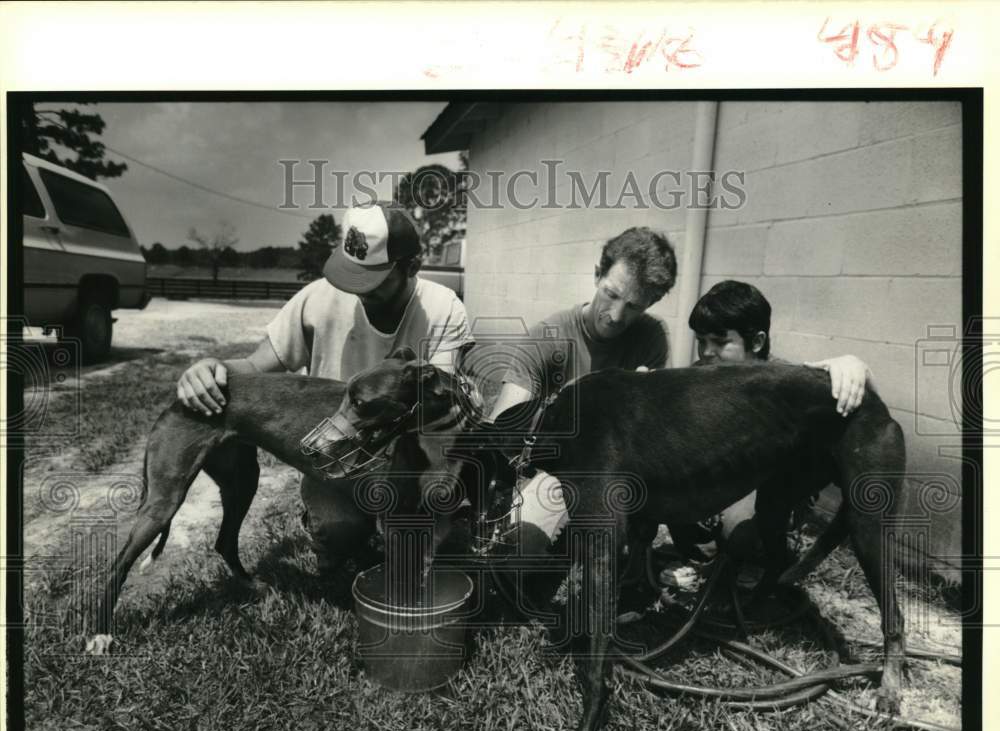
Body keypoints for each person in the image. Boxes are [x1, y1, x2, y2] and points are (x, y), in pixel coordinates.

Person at [487, 229, 873, 573]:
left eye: (635, 305)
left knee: (728, 530)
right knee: (519, 552)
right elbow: (503, 429)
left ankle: (665, 562)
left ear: (651, 303)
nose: (618, 315)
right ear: (596, 276)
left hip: (623, 474)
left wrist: (849, 363)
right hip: (555, 469)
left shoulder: (650, 337)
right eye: (611, 294)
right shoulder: (548, 337)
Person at [175, 201, 474, 571]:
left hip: (409, 459)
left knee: (436, 547)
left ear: (411, 267)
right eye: (352, 274)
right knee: (339, 533)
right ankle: (330, 521)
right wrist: (210, 367)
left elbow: (437, 418)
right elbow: (255, 365)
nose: (358, 291)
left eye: (373, 281)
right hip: (338, 461)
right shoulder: (317, 298)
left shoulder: (443, 309)